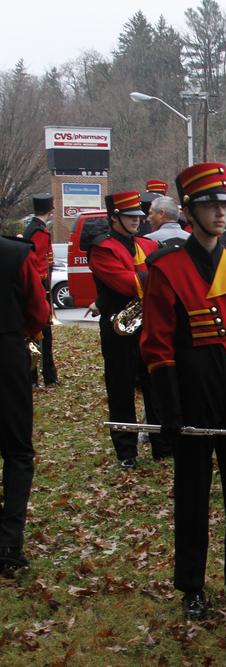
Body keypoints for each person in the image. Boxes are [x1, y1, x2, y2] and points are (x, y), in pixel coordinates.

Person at [140, 162, 226, 621]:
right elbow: (156, 345)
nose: (220, 212)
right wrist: (169, 409)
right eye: (209, 205)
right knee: (192, 493)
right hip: (192, 389)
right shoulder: (166, 267)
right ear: (189, 213)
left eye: (224, 205)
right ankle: (191, 584)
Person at [88, 191, 167, 468]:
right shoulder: (103, 248)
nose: (137, 220)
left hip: (149, 323)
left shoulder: (145, 243)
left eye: (137, 216)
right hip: (117, 327)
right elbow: (125, 282)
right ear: (114, 218)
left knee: (155, 385)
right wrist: (157, 278)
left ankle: (162, 444)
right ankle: (126, 452)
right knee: (121, 389)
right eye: (129, 216)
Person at [0, 234, 49, 577]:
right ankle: (9, 542)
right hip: (7, 353)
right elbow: (39, 311)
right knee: (17, 450)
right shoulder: (16, 253)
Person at [22, 194, 57, 387]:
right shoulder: (40, 231)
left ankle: (37, 376)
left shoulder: (32, 228)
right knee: (41, 334)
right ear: (50, 210)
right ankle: (44, 376)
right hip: (39, 285)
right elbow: (39, 263)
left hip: (37, 283)